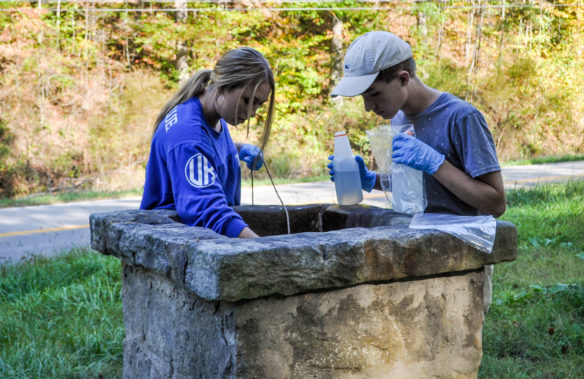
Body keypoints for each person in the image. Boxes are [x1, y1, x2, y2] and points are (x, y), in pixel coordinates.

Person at [328, 31, 506, 314]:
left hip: (460, 259)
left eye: (374, 94)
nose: (368, 107)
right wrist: (372, 180)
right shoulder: (397, 116)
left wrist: (437, 163)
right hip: (414, 253)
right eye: (364, 96)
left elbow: (496, 204)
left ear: (403, 79)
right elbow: (414, 184)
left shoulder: (462, 117)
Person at [140, 47, 275, 239]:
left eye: (259, 104)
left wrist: (238, 149)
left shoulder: (209, 116)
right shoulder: (188, 135)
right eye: (248, 100)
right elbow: (208, 211)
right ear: (224, 85)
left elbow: (205, 149)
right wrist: (265, 251)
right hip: (175, 243)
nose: (253, 112)